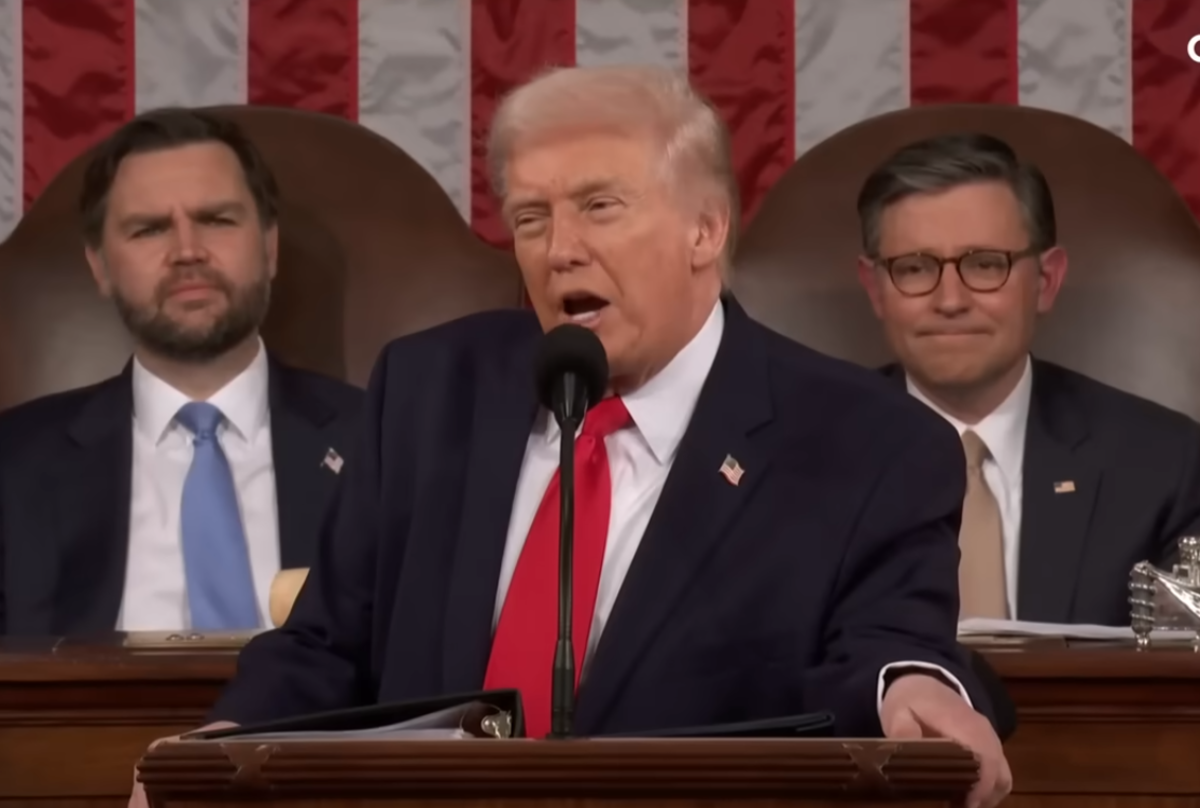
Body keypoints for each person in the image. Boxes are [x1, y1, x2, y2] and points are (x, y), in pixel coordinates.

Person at [140, 68, 1009, 808]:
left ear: (705, 229)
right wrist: (221, 748)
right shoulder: (428, 390)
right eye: (530, 218)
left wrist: (915, 689)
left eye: (600, 207)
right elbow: (329, 647)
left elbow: (892, 648)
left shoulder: (866, 441)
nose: (560, 250)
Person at [0, 109, 363, 635]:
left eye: (216, 219)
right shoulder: (12, 464)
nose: (188, 251)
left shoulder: (383, 443)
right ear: (100, 267)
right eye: (149, 229)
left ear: (269, 246)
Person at [855, 132, 1200, 626]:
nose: (950, 300)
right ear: (876, 289)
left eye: (984, 264)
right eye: (913, 268)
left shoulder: (1164, 464)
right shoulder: (800, 459)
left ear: (1046, 281)